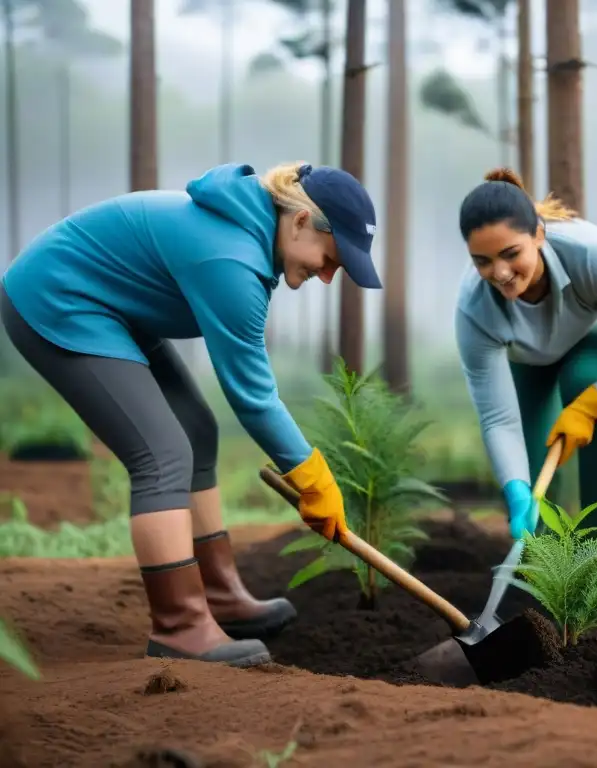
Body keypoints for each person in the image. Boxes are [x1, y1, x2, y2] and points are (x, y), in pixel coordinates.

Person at [0, 162, 371, 667]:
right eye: (333, 258)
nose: (328, 276)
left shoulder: (250, 238)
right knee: (161, 454)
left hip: (114, 307)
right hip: (59, 298)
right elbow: (253, 396)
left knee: (196, 431)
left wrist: (307, 475)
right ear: (303, 221)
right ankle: (179, 626)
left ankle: (218, 596)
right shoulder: (231, 258)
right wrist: (311, 476)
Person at [454, 168, 597, 542]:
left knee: (585, 381)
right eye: (482, 261)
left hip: (589, 345)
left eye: (511, 254)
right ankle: (543, 566)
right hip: (526, 363)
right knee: (526, 467)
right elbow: (498, 417)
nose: (500, 272)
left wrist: (593, 403)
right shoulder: (472, 307)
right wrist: (515, 489)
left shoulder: (595, 256)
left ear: (539, 234)